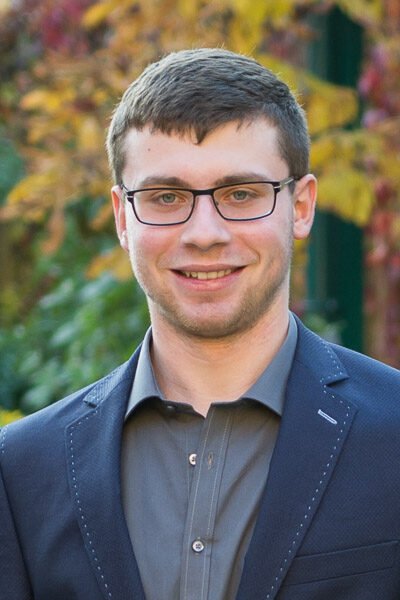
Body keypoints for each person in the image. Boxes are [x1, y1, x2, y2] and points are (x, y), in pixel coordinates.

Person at [1, 48, 400, 600]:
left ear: (301, 206)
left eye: (241, 194)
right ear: (122, 217)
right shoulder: (20, 469)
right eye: (166, 197)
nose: (205, 233)